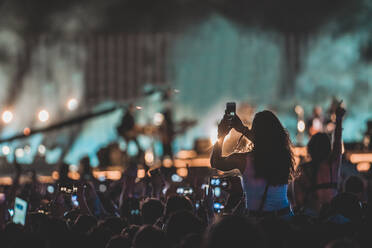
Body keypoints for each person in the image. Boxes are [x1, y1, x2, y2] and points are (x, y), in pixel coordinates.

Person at [211, 110, 294, 217]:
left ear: (255, 133)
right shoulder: (283, 156)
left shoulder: (244, 160)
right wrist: (243, 129)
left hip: (259, 223)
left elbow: (215, 162)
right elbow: (266, 142)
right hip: (285, 219)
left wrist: (221, 135)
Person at [293, 104, 345, 215]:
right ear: (328, 148)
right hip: (332, 217)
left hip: (311, 218)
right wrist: (339, 119)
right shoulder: (333, 165)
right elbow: (337, 144)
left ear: (310, 148)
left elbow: (298, 199)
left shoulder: (303, 169)